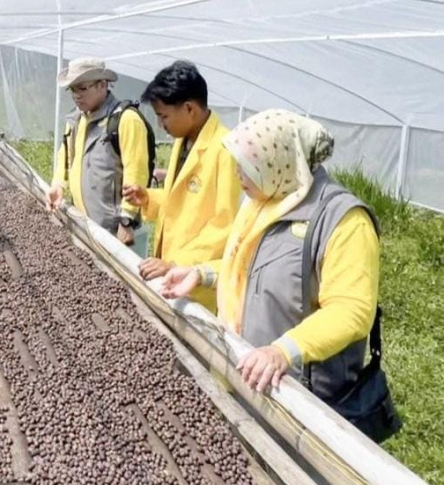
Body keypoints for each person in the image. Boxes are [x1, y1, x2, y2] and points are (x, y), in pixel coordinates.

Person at [161, 109, 400, 440]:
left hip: (305, 395)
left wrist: (284, 350)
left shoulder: (344, 221)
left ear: (280, 161)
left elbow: (352, 310)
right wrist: (202, 274)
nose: (238, 175)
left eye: (247, 166)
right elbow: (250, 268)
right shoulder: (266, 201)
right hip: (250, 376)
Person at [122, 60, 240, 311]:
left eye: (164, 116)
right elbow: (183, 200)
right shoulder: (184, 140)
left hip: (198, 282)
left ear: (189, 109)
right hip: (173, 270)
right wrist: (149, 198)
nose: (162, 125)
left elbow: (224, 225)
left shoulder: (225, 150)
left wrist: (178, 263)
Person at [46, 57, 152, 252]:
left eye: (83, 88)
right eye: (73, 89)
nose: (76, 96)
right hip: (86, 224)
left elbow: (136, 172)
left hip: (116, 230)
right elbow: (66, 155)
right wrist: (58, 185)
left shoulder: (126, 120)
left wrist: (127, 220)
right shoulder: (76, 120)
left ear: (102, 85)